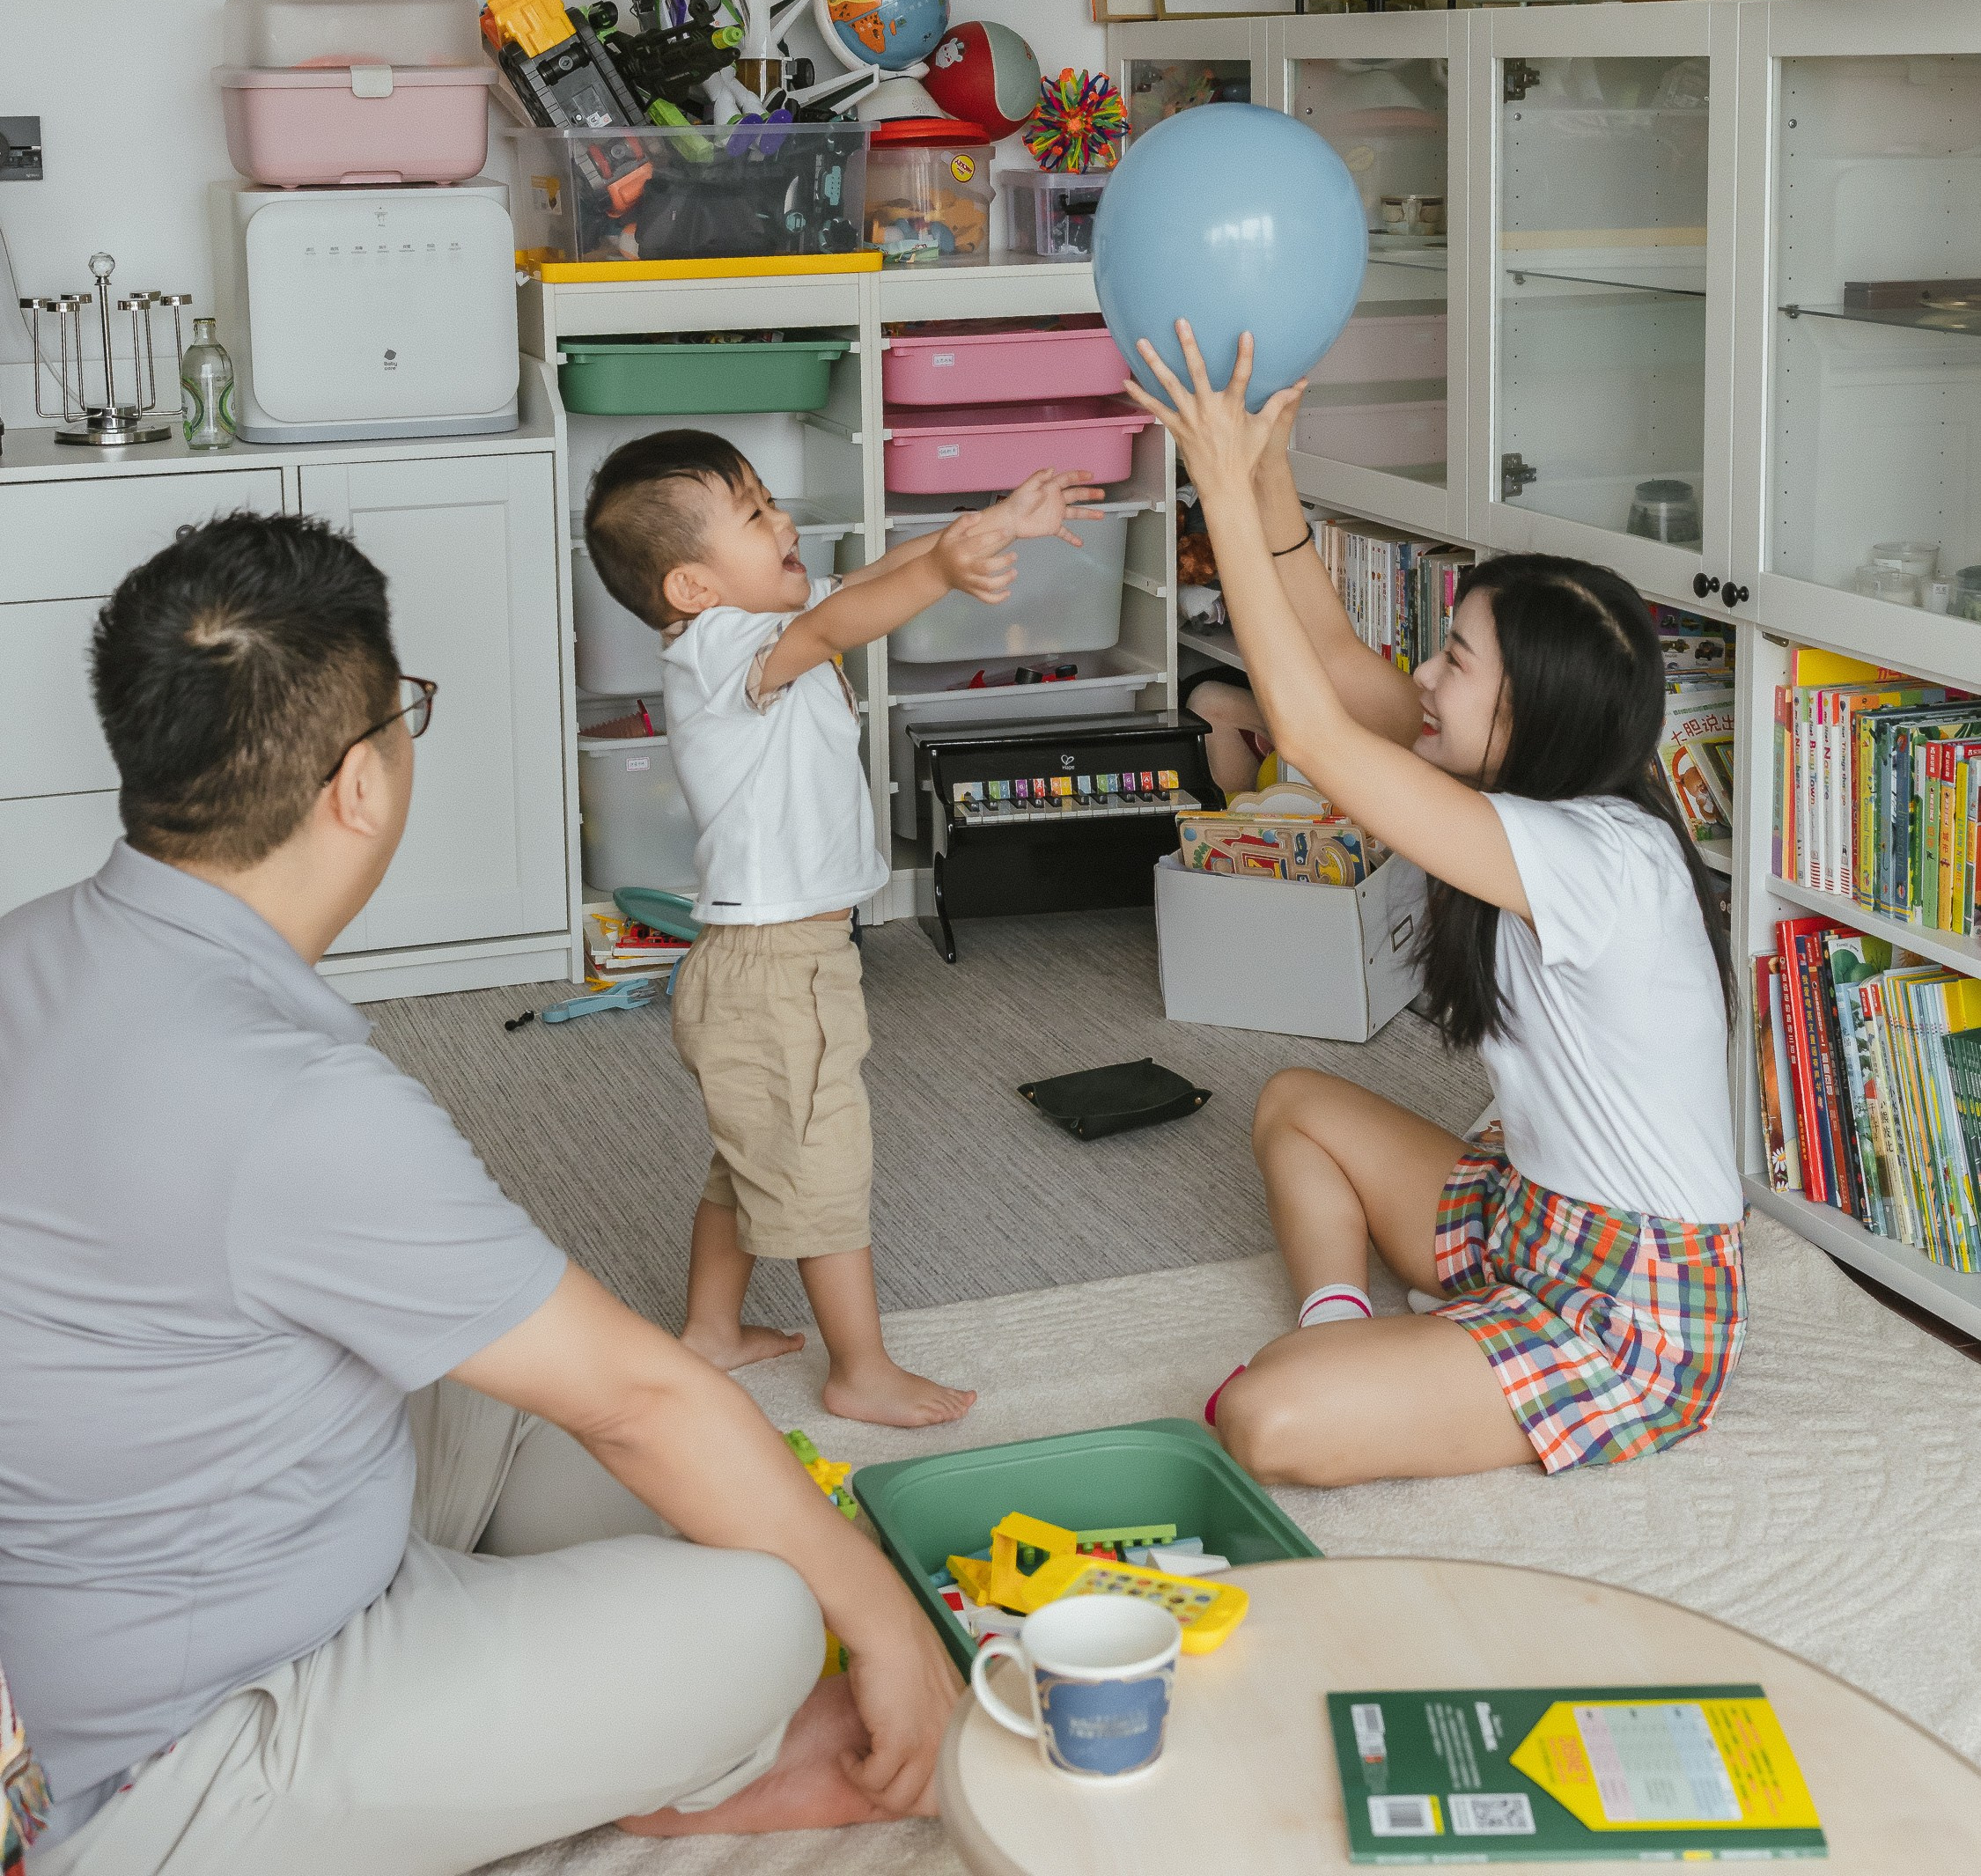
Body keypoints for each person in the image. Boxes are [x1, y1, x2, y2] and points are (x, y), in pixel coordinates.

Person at [0, 512, 961, 1874]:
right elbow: (642, 1399)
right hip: (182, 1752)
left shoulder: (33, 948)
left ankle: (555, 1693)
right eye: (405, 718)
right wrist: (883, 1622)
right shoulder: (290, 1106)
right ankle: (668, 1767)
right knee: (758, 1611)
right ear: (359, 786)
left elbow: (605, 1383)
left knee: (535, 1388)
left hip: (205, 1526)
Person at [1125, 325, 1746, 1490]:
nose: (1420, 675)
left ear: (1519, 715)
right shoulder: (1523, 785)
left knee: (1266, 1426)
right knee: (1296, 1105)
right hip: (1531, 1219)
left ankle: (1346, 1369)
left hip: (1630, 1303)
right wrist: (1262, 470)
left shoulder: (1597, 856)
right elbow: (1329, 659)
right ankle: (1336, 1326)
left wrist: (1205, 484)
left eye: (1452, 660)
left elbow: (1307, 729)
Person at [584, 432, 1096, 1429]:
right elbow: (842, 623)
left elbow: (870, 581)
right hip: (774, 971)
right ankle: (859, 1368)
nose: (784, 523)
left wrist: (995, 525)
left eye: (774, 502)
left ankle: (712, 1331)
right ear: (692, 586)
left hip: (774, 964)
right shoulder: (721, 646)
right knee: (823, 1168)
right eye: (755, 517)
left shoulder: (751, 626)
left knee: (753, 1156)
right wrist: (945, 571)